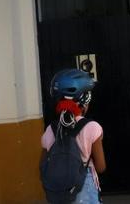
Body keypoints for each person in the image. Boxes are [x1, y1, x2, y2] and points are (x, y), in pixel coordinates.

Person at [40, 69, 106, 204]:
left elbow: (42, 165)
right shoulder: (92, 127)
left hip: (58, 193)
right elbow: (100, 167)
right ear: (85, 101)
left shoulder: (50, 130)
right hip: (84, 191)